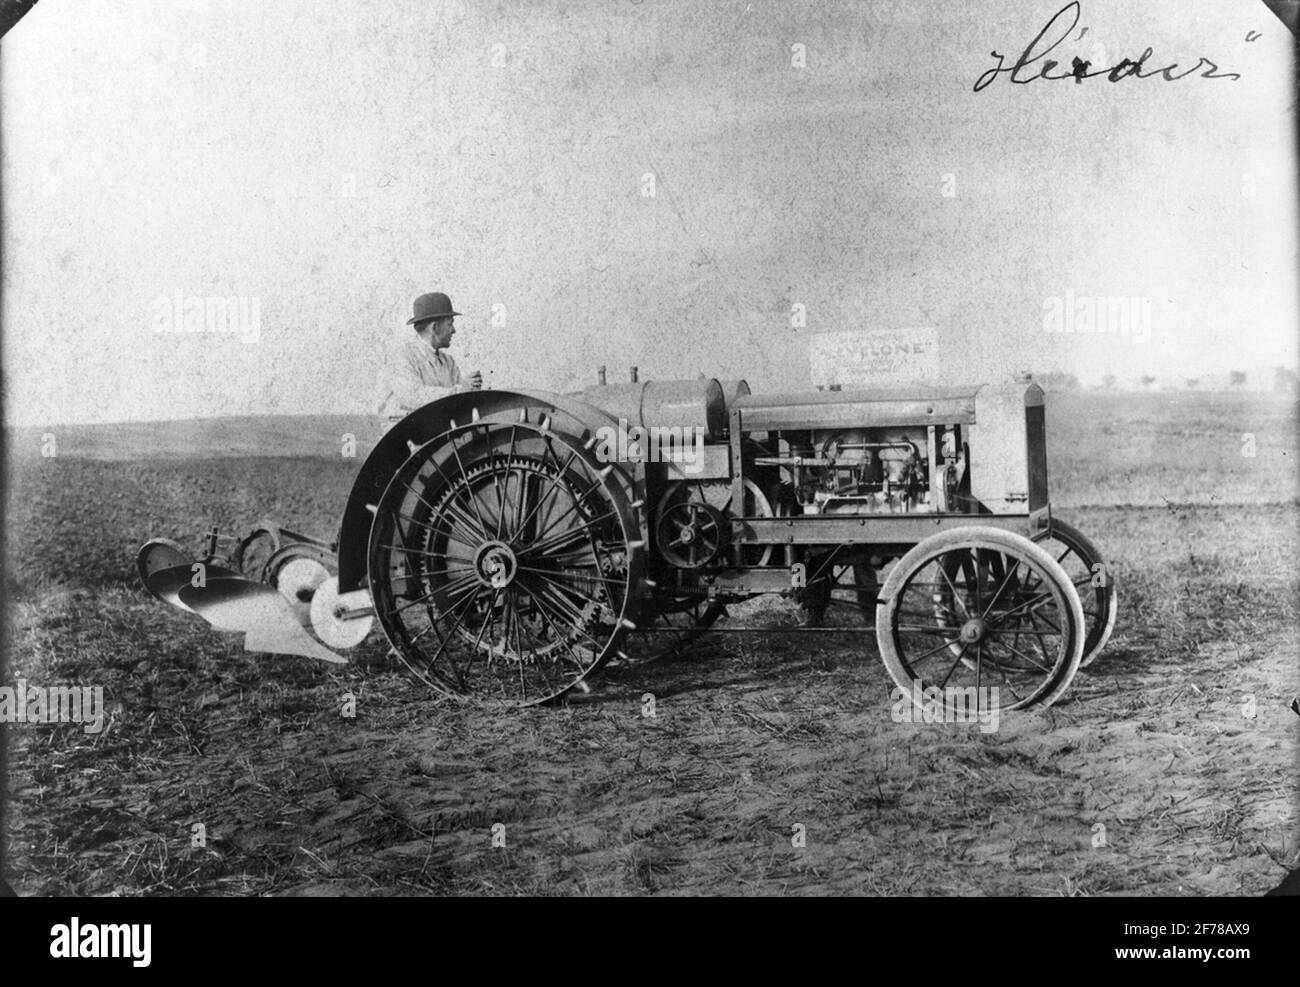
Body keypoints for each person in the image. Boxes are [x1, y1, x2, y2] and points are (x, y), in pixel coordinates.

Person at [377, 291, 482, 433]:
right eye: (450, 324)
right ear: (435, 327)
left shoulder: (448, 362)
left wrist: (468, 388)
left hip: (437, 434)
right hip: (404, 439)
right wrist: (459, 391)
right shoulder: (402, 357)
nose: (454, 330)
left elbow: (457, 402)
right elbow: (413, 397)